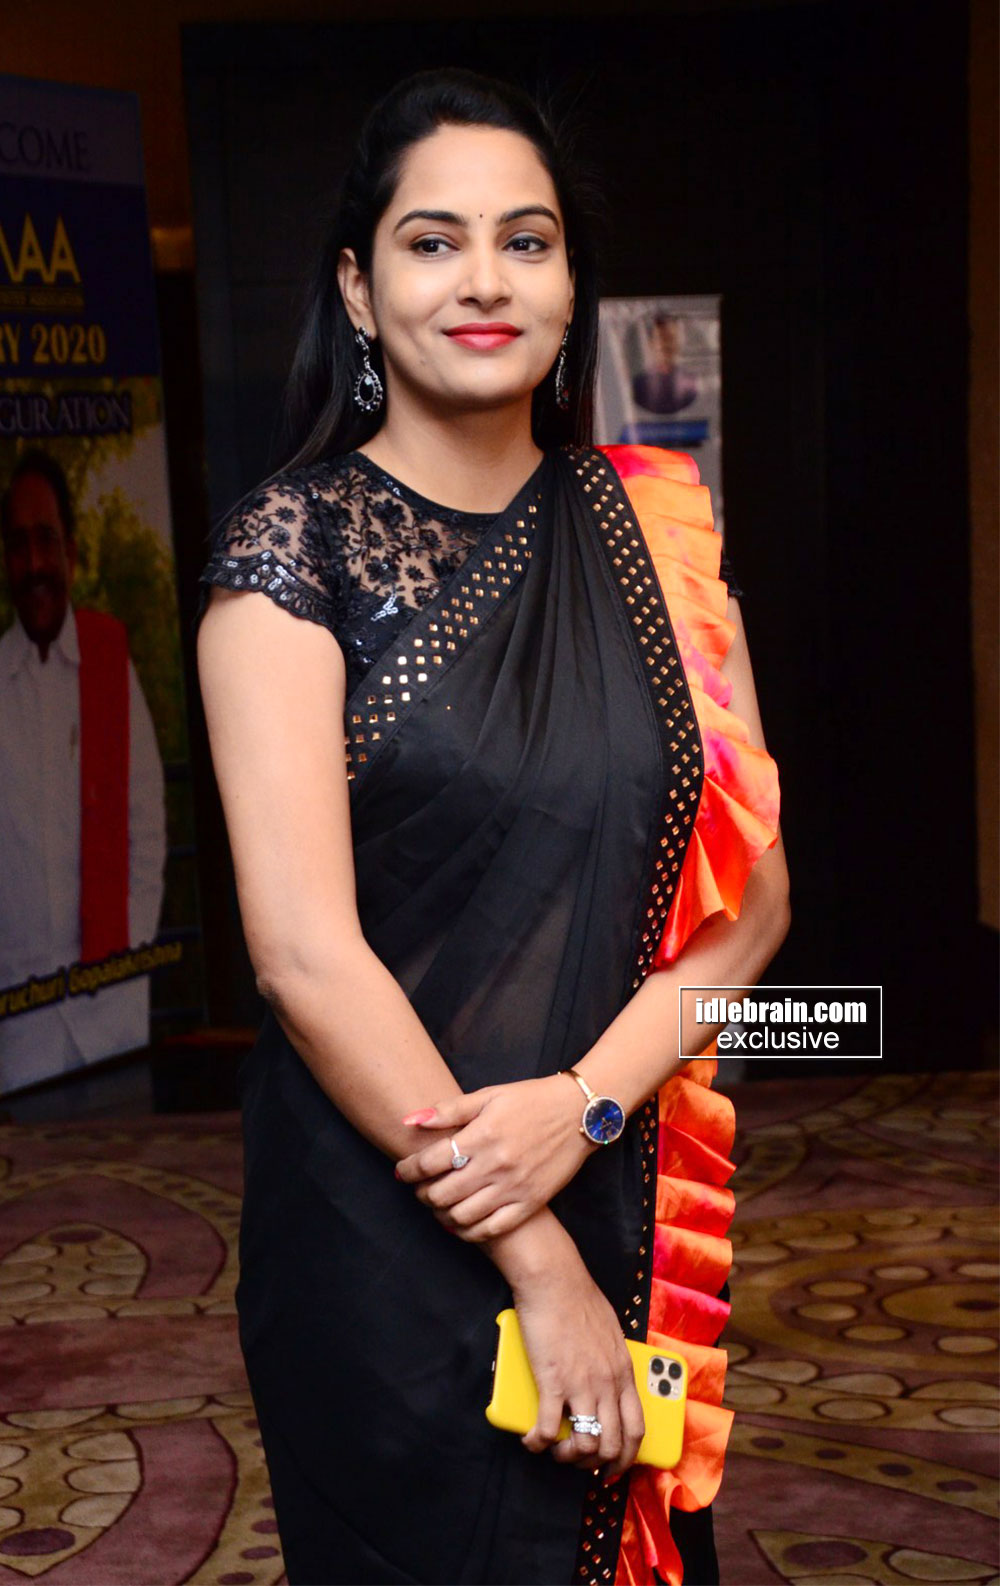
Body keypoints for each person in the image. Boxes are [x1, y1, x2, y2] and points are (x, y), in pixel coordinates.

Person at [196, 67, 787, 1586]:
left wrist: (581, 1108)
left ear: (571, 284)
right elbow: (304, 955)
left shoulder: (661, 535)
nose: (483, 280)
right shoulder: (293, 553)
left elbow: (757, 907)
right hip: (384, 1232)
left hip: (612, 1169)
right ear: (358, 285)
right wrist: (535, 1251)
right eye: (433, 240)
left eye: (526, 241)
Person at [0, 449, 167, 1094]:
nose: (34, 563)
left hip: (111, 1018)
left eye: (46, 540)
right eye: (19, 545)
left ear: (70, 552)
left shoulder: (108, 662)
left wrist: (125, 959)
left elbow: (147, 829)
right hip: (20, 1025)